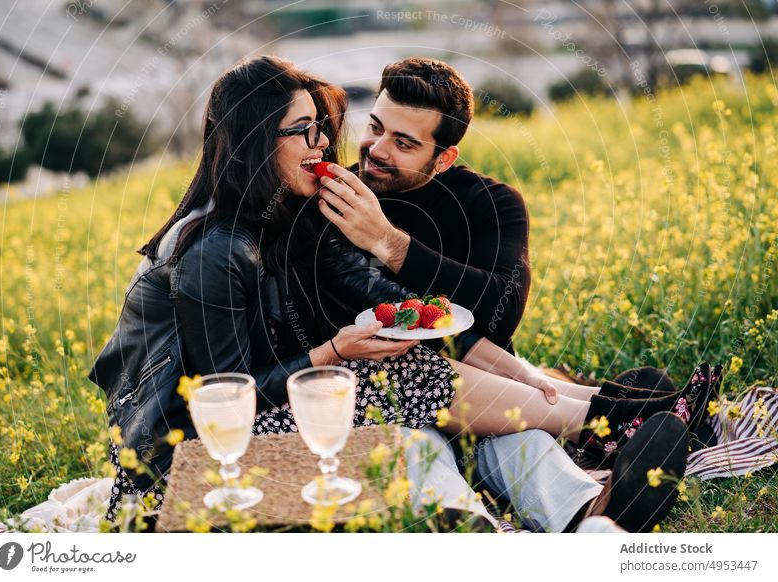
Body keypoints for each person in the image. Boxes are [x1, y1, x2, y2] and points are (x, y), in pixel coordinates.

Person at [88, 55, 706, 529]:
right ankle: (618, 419)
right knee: (399, 383)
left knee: (409, 370)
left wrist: (527, 376)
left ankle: (596, 455)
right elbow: (227, 403)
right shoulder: (215, 250)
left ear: (445, 156)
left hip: (281, 432)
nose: (326, 145)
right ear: (255, 143)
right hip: (192, 476)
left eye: (324, 128)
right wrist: (331, 354)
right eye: (304, 132)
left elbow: (403, 309)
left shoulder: (298, 218)